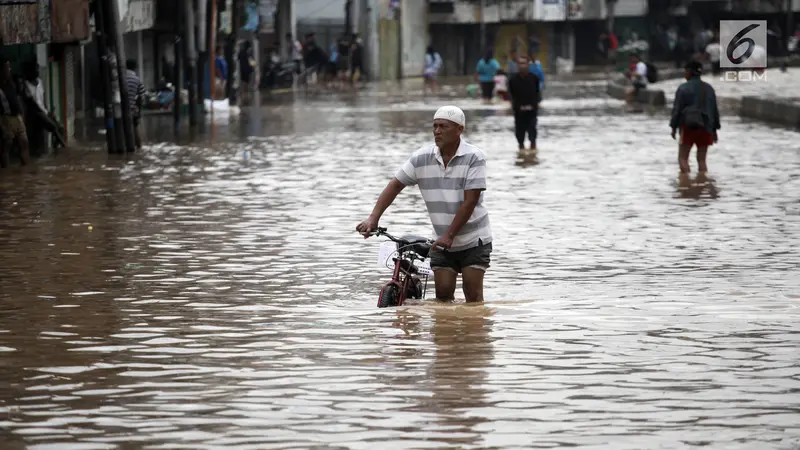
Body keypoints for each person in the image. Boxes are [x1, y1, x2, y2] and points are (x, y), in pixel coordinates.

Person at [356, 105, 492, 303]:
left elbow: (469, 202)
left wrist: (450, 235)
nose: (437, 131)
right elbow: (394, 186)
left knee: (473, 298)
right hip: (441, 241)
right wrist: (373, 218)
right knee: (443, 297)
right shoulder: (421, 158)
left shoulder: (474, 157)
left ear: (459, 129)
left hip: (473, 240)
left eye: (443, 126)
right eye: (435, 126)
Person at [669, 60, 720, 173]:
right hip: (707, 127)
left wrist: (673, 127)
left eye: (685, 71)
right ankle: (702, 184)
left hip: (688, 126)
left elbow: (677, 110)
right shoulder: (709, 89)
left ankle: (686, 186)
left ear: (689, 72)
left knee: (683, 158)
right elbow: (714, 110)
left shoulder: (683, 88)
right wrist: (715, 130)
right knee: (702, 160)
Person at [21, 59, 67, 154]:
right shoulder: (25, 85)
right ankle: (66, 149)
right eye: (35, 69)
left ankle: (56, 151)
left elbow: (43, 100)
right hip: (35, 114)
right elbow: (33, 105)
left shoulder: (40, 82)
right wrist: (45, 114)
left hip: (43, 112)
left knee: (61, 128)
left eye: (38, 68)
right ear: (30, 71)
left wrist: (49, 112)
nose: (38, 71)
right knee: (53, 127)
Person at [0, 58, 30, 167]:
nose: (9, 70)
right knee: (7, 145)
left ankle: (26, 169)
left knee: (24, 142)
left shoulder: (12, 82)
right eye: (6, 68)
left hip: (17, 117)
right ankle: (6, 172)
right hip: (5, 118)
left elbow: (17, 99)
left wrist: (22, 115)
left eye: (9, 67)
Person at [507, 56, 541, 151]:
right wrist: (514, 106)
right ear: (517, 66)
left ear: (528, 65)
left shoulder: (534, 78)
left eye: (524, 63)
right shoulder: (513, 80)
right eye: (520, 63)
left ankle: (533, 152)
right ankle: (521, 153)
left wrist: (535, 104)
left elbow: (537, 93)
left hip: (532, 110)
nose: (522, 66)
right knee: (520, 133)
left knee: (532, 131)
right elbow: (511, 95)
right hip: (519, 111)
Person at [125, 59, 146, 150]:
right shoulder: (137, 80)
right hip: (132, 109)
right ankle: (139, 147)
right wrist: (139, 110)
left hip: (120, 109)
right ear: (135, 68)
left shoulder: (121, 77)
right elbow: (141, 97)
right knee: (135, 127)